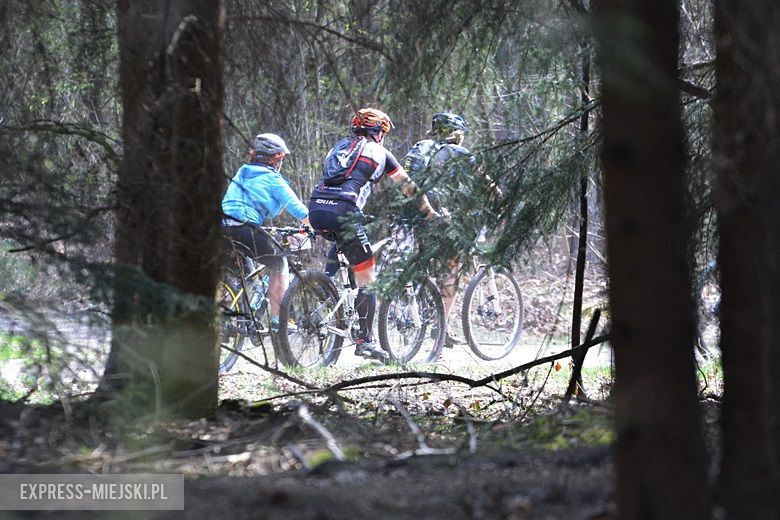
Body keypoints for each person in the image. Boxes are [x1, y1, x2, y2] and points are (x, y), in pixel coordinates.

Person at [308, 108, 439, 362]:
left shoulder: (338, 147)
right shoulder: (381, 152)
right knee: (369, 278)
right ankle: (365, 341)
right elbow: (408, 186)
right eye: (383, 133)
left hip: (316, 208)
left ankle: (328, 289)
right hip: (345, 211)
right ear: (378, 132)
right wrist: (431, 215)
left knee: (347, 248)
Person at [403, 112, 497, 348]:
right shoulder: (457, 152)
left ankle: (418, 310)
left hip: (412, 211)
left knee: (428, 262)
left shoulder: (420, 148)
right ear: (456, 134)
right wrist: (501, 200)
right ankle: (440, 327)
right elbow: (484, 182)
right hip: (434, 212)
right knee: (452, 267)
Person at [222, 133, 311, 333]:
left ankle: (226, 318)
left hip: (222, 228)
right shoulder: (273, 179)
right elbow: (301, 212)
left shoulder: (242, 172)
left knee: (245, 278)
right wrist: (321, 226)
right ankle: (278, 321)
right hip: (245, 228)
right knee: (280, 262)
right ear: (275, 158)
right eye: (281, 157)